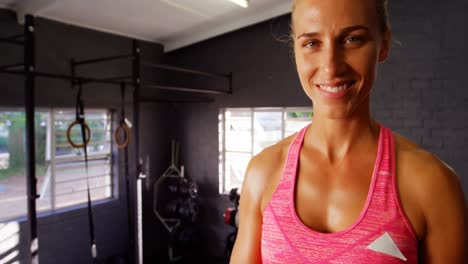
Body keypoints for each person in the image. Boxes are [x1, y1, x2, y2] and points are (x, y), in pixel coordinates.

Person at [229, 0, 467, 263]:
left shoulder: (431, 183)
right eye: (312, 43)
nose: (331, 66)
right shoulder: (263, 172)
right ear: (295, 48)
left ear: (383, 43)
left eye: (353, 39)